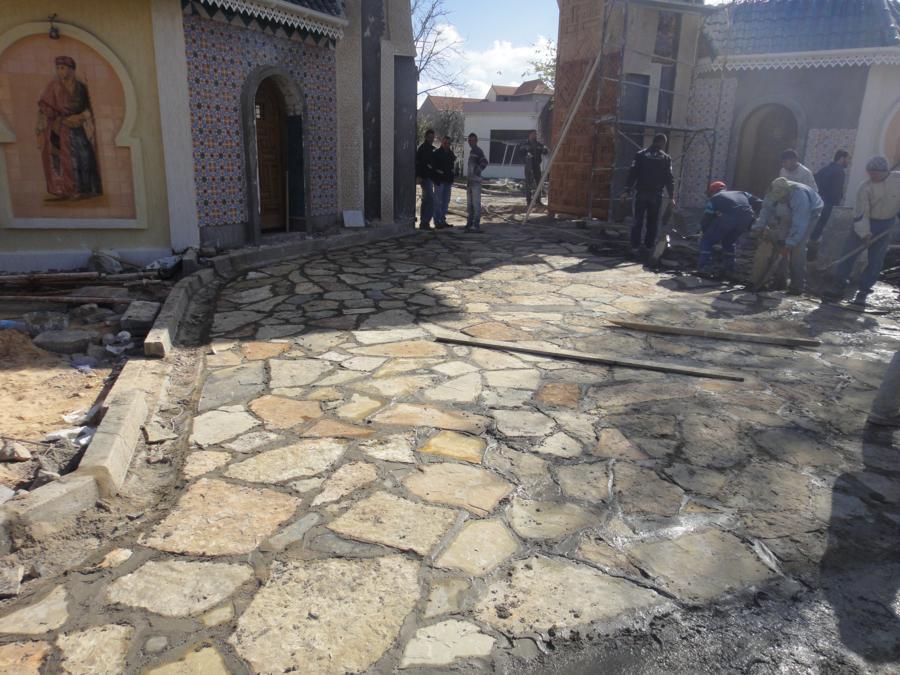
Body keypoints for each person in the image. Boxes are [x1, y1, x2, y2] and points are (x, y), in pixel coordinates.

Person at [825, 156, 900, 306]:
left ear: (885, 171)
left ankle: (863, 291)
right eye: (870, 173)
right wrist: (865, 234)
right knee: (848, 255)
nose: (872, 176)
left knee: (876, 260)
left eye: (875, 173)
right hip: (866, 222)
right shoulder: (865, 187)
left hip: (886, 224)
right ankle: (839, 286)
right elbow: (861, 214)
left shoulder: (897, 180)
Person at [36, 56, 102, 200]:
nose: (60, 71)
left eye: (63, 68)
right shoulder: (53, 87)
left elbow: (87, 108)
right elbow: (45, 107)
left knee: (85, 155)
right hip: (59, 129)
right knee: (66, 159)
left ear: (71, 69)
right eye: (58, 68)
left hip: (78, 127)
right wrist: (62, 119)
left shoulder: (81, 88)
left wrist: (81, 117)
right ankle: (69, 190)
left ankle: (87, 189)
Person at [752, 177, 824, 295]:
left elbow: (800, 224)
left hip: (810, 214)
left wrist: (790, 243)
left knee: (797, 248)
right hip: (787, 215)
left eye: (782, 198)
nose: (780, 200)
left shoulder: (800, 197)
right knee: (780, 244)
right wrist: (758, 227)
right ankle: (780, 283)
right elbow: (765, 211)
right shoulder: (771, 193)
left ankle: (797, 286)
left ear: (787, 193)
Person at [625, 133, 675, 260]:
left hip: (641, 193)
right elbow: (669, 179)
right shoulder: (666, 158)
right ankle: (648, 247)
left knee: (637, 221)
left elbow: (632, 173)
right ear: (662, 143)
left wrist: (626, 190)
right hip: (656, 194)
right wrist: (671, 196)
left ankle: (635, 247)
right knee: (652, 222)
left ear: (653, 141)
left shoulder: (641, 155)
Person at [698, 181, 762, 278]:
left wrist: (704, 230)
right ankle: (729, 269)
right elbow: (760, 202)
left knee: (707, 241)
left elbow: (707, 217)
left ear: (713, 191)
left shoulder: (715, 198)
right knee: (728, 242)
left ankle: (705, 267)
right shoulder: (742, 193)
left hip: (729, 218)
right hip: (747, 219)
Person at [808, 150, 851, 261]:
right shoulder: (839, 172)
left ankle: (807, 254)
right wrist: (836, 206)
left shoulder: (825, 169)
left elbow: (814, 181)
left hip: (817, 203)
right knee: (822, 231)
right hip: (829, 205)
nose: (848, 161)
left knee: (814, 229)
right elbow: (836, 193)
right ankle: (813, 256)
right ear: (841, 158)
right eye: (847, 159)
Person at [465, 133, 488, 232]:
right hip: (470, 182)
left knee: (476, 204)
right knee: (470, 205)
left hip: (476, 182)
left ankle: (476, 225)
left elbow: (485, 162)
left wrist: (477, 171)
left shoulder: (478, 151)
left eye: (473, 140)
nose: (471, 142)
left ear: (476, 141)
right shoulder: (472, 151)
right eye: (470, 140)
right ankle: (469, 223)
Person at [431, 136, 456, 229]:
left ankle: (442, 220)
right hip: (439, 181)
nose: (446, 145)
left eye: (448, 143)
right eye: (445, 143)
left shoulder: (451, 154)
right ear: (442, 143)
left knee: (446, 201)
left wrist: (452, 174)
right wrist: (436, 176)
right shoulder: (436, 153)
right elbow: (433, 168)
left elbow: (452, 166)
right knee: (438, 202)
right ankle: (437, 221)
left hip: (448, 181)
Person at [415, 129, 436, 230]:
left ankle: (424, 222)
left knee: (426, 200)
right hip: (425, 177)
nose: (431, 139)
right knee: (430, 200)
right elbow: (419, 163)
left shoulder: (431, 148)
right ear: (426, 137)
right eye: (430, 137)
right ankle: (425, 221)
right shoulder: (423, 148)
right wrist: (419, 176)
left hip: (428, 177)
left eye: (433, 137)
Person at [522, 130, 548, 206]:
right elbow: (520, 153)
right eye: (534, 134)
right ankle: (529, 201)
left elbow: (545, 152)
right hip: (529, 166)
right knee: (528, 183)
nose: (535, 135)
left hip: (536, 166)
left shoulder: (538, 144)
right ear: (529, 135)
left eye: (536, 134)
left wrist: (545, 149)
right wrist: (525, 159)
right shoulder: (524, 144)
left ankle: (538, 200)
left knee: (538, 183)